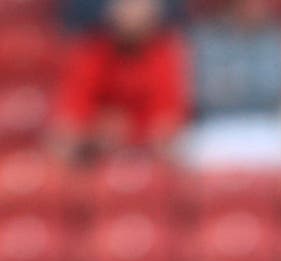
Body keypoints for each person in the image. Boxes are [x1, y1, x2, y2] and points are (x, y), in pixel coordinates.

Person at [50, 0, 191, 163]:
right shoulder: (92, 51)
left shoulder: (165, 53)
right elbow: (71, 112)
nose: (132, 19)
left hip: (146, 148)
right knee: (60, 145)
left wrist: (133, 133)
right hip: (94, 148)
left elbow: (167, 118)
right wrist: (93, 129)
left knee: (178, 149)